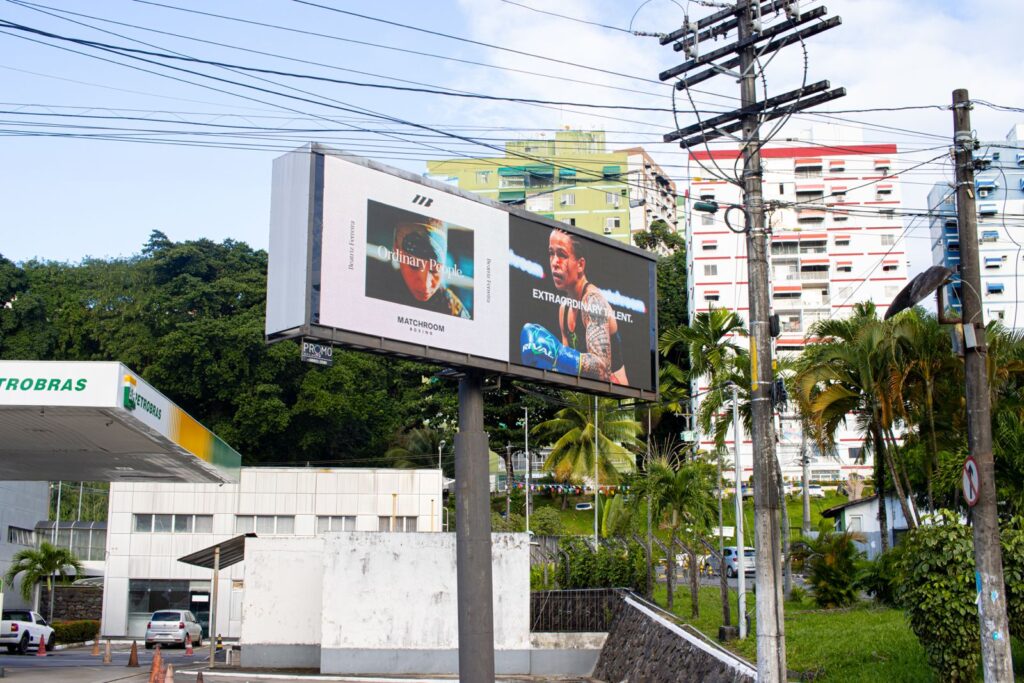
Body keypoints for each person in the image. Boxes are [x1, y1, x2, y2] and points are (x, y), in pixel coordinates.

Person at [520, 229, 627, 383]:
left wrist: (557, 354)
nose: (554, 262)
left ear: (580, 264)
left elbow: (603, 369)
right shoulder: (564, 309)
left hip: (618, 402)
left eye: (562, 255)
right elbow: (568, 374)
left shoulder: (593, 302)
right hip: (585, 400)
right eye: (551, 253)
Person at [386, 219, 470, 318]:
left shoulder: (453, 311)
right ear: (396, 251)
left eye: (435, 269)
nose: (425, 285)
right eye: (414, 265)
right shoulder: (375, 286)